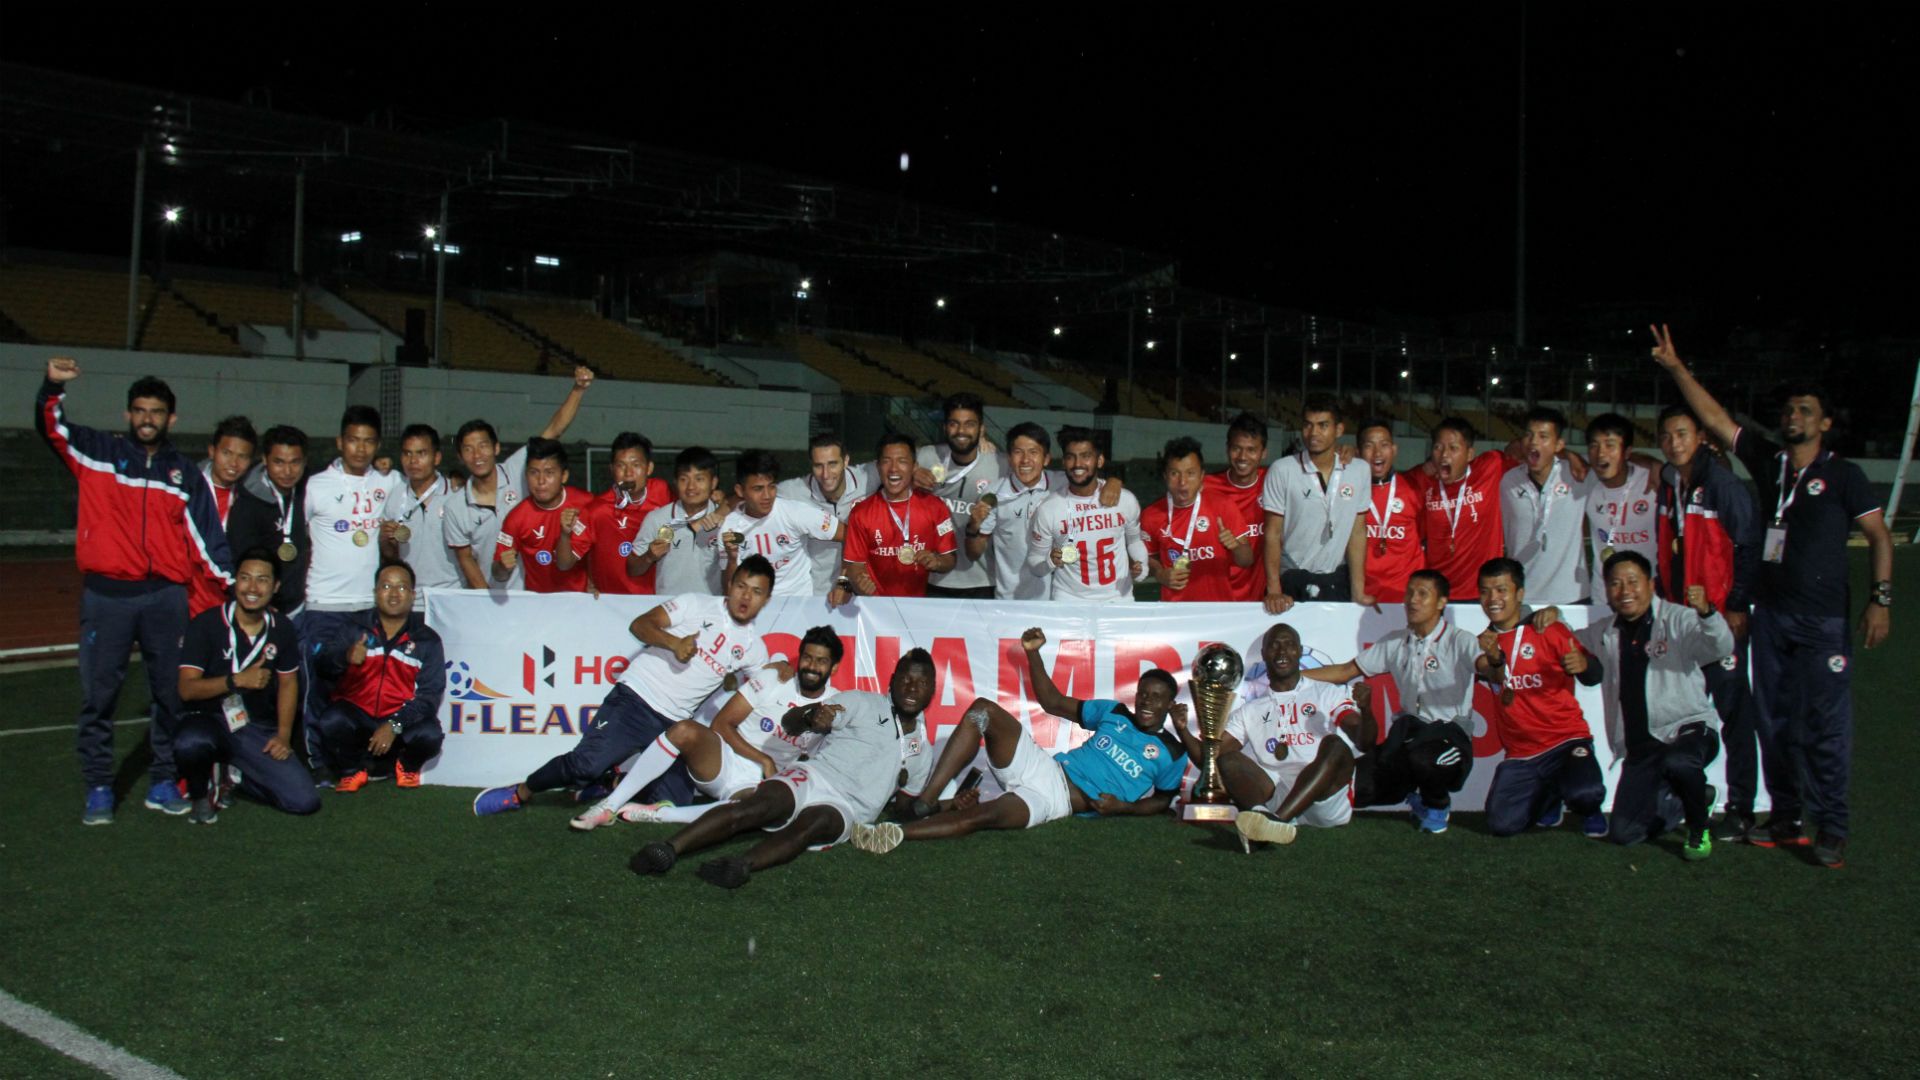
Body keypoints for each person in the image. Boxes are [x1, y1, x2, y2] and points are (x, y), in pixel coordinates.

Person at [1650, 325, 1891, 868]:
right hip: (1772, 617)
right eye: (1788, 410)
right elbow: (1713, 419)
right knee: (1775, 720)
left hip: (1824, 620)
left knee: (1825, 725)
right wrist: (1675, 368)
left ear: (1824, 423)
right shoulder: (1770, 463)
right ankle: (1785, 815)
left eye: (1805, 410)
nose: (1793, 417)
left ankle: (1832, 824)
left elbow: (1878, 535)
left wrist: (1881, 599)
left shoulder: (1844, 475)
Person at [37, 356, 234, 823]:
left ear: (172, 418)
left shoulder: (185, 475)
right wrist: (51, 387)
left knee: (169, 693)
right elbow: (51, 427)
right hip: (107, 597)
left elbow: (208, 539)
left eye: (157, 412)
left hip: (166, 598)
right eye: (141, 411)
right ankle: (100, 786)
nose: (148, 419)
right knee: (99, 696)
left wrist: (234, 589)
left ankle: (163, 779)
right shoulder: (97, 453)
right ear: (129, 415)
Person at [471, 555, 777, 816]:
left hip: (673, 724)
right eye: (740, 587)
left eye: (756, 592)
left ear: (766, 599)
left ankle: (610, 784)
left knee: (672, 802)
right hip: (636, 700)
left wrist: (780, 672)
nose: (745, 597)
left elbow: (764, 692)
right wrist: (673, 643)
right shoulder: (695, 604)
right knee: (584, 765)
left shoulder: (754, 649)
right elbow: (640, 625)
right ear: (730, 584)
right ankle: (521, 791)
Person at [848, 627, 1186, 852]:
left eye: (1156, 698)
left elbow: (1163, 799)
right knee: (982, 711)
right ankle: (925, 801)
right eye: (1143, 694)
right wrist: (1033, 653)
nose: (1146, 702)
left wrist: (1123, 808)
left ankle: (894, 834)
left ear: (1169, 704)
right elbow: (1052, 702)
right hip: (1044, 765)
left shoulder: (1172, 752)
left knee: (983, 818)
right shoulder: (1115, 713)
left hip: (1057, 800)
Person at [630, 656, 927, 889]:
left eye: (921, 682)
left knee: (812, 824)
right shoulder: (861, 702)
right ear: (892, 680)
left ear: (932, 692)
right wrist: (812, 715)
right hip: (816, 775)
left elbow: (905, 808)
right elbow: (791, 721)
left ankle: (740, 865)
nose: (912, 688)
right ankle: (668, 849)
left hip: (849, 808)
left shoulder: (922, 752)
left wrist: (926, 806)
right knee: (759, 806)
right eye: (906, 679)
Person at [1548, 552, 1734, 859]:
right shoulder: (1605, 631)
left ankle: (1698, 831)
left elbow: (1720, 646)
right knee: (1625, 834)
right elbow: (1568, 640)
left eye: (1633, 582)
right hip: (1642, 748)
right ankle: (1693, 795)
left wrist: (1707, 613)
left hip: (1687, 729)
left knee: (1680, 762)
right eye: (1616, 584)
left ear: (1650, 584)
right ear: (1607, 591)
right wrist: (1552, 615)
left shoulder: (1679, 618)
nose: (1625, 591)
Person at [571, 626, 845, 830]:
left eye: (821, 661)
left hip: (760, 784)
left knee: (753, 810)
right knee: (684, 730)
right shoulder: (774, 677)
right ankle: (609, 806)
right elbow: (722, 724)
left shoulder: (836, 705)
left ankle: (658, 814)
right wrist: (763, 758)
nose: (812, 666)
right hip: (724, 761)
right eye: (808, 658)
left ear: (833, 668)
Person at [1655, 403, 1764, 841]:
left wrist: (1736, 605)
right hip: (1681, 622)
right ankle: (1686, 794)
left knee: (1734, 714)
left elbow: (1750, 545)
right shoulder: (1670, 485)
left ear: (1699, 436)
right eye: (1666, 436)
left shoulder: (1722, 484)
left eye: (1682, 434)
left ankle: (1741, 808)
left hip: (1718, 620)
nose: (1674, 443)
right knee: (1682, 710)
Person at [1303, 569, 1479, 833]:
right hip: (1409, 736)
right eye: (1409, 593)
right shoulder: (1396, 641)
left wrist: (1495, 662)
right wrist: (1292, 677)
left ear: (1442, 602)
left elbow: (1487, 667)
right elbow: (1345, 671)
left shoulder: (1460, 640)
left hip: (1449, 737)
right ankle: (1409, 792)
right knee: (1353, 788)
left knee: (1425, 760)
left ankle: (1437, 805)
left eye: (1423, 594)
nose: (1413, 600)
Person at [1182, 624, 1363, 851]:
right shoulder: (1251, 710)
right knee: (1228, 760)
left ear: (1299, 651)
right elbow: (1210, 760)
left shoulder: (1327, 692)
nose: (1282, 651)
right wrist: (1182, 730)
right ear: (1264, 654)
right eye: (1274, 645)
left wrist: (1367, 712)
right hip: (1278, 795)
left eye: (1289, 645)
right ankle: (1265, 818)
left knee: (1335, 745)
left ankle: (1275, 822)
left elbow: (1362, 739)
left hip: (1324, 803)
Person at [173, 549, 315, 823]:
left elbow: (288, 684)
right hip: (210, 720)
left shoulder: (282, 628)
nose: (252, 587)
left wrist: (284, 735)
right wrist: (235, 680)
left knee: (303, 801)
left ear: (275, 587)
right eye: (245, 578)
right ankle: (201, 793)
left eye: (262, 580)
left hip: (255, 728)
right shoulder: (206, 624)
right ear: (234, 582)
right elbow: (186, 689)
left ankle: (234, 776)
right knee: (191, 742)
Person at [1471, 557, 1607, 838]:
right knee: (1501, 824)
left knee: (1586, 793)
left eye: (1501, 590)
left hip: (1565, 740)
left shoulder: (1549, 629)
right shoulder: (1482, 643)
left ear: (1520, 593)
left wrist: (1584, 665)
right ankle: (1550, 795)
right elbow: (1493, 673)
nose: (1493, 599)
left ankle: (1589, 807)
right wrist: (1495, 660)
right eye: (1485, 591)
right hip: (1522, 754)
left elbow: (1594, 675)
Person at [300, 405, 402, 761]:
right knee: (319, 685)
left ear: (378, 445)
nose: (361, 449)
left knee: (362, 686)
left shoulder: (388, 481)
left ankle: (357, 758)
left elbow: (396, 529)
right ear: (339, 442)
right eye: (353, 440)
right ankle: (316, 759)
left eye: (369, 442)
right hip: (324, 604)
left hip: (367, 606)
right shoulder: (315, 485)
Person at [443, 365, 595, 592]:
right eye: (468, 449)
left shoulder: (518, 467)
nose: (477, 455)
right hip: (490, 593)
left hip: (531, 593)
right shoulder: (455, 506)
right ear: (460, 456)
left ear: (496, 448)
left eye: (483, 446)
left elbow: (554, 431)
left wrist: (578, 389)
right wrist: (486, 599)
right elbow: (466, 559)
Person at [311, 560, 446, 792]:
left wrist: (394, 724)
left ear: (413, 595)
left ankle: (406, 765)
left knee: (431, 735)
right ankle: (352, 770)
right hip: (358, 714)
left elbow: (430, 696)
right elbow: (322, 667)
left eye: (402, 587)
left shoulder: (427, 639)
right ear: (375, 593)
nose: (394, 594)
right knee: (331, 721)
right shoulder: (354, 628)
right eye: (386, 587)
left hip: (399, 717)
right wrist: (344, 657)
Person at [1262, 395, 1369, 610]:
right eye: (1308, 425)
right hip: (1293, 577)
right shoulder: (1282, 469)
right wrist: (1274, 589)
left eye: (1323, 426)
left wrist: (1358, 591)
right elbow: (1272, 533)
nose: (1314, 433)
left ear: (1338, 430)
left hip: (1336, 580)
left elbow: (1358, 532)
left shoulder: (1359, 470)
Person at [1025, 427, 1147, 603]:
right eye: (1070, 457)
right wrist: (1050, 562)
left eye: (1085, 456)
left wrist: (1141, 569)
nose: (1077, 464)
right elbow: (1035, 563)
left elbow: (1135, 541)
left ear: (1099, 460)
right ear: (1063, 462)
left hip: (1118, 599)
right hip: (1069, 600)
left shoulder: (1124, 500)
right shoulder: (1048, 508)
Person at [832, 434, 957, 602]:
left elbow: (949, 558)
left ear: (914, 467)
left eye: (902, 461)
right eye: (886, 461)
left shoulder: (935, 507)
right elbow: (853, 564)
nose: (893, 469)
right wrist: (859, 581)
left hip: (918, 606)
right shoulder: (861, 512)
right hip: (875, 608)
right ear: (878, 467)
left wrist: (937, 562)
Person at [716, 449, 844, 598]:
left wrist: (844, 581)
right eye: (758, 489)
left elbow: (851, 535)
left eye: (771, 486)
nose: (767, 496)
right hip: (754, 610)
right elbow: (730, 592)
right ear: (740, 490)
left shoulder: (795, 512)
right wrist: (732, 559)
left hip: (798, 607)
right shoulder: (729, 529)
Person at [1141, 436, 1254, 602]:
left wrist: (1235, 546)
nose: (1183, 482)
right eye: (1175, 473)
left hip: (1218, 610)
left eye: (1190, 473)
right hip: (1175, 611)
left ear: (1202, 475)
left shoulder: (1222, 505)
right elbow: (1146, 559)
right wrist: (1159, 573)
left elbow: (1247, 560)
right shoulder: (1152, 515)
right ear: (1165, 476)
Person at [1411, 418, 1513, 602]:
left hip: (1482, 594)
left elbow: (1523, 451)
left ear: (1469, 454)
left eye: (1453, 448)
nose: (1444, 455)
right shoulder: (1422, 480)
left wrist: (1568, 455)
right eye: (1438, 447)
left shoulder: (1490, 467)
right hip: (1437, 595)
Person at [915, 393, 1003, 599]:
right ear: (945, 427)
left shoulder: (1000, 464)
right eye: (954, 424)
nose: (961, 431)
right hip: (931, 577)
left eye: (969, 424)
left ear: (981, 429)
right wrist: (913, 471)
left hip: (982, 581)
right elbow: (890, 463)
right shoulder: (926, 456)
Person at [1499, 408, 1587, 605]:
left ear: (1559, 445)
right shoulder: (1507, 481)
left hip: (1571, 596)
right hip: (1521, 596)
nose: (1534, 442)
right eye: (1529, 435)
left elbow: (1616, 462)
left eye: (1543, 436)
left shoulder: (1577, 475)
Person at [970, 422, 1066, 600]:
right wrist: (973, 526)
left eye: (1033, 452)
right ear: (1009, 457)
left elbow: (1098, 487)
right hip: (1011, 602)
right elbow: (974, 552)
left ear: (1046, 459)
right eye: (1018, 452)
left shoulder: (1063, 484)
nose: (1025, 460)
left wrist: (1115, 482)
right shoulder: (993, 494)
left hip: (1060, 599)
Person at [777, 432, 880, 594]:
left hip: (861, 586)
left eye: (832, 464)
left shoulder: (868, 476)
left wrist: (915, 471)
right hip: (817, 592)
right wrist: (727, 505)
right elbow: (755, 493)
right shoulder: (794, 491)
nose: (826, 474)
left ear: (846, 461)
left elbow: (896, 465)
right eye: (818, 466)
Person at [227, 425, 312, 616]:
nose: (288, 471)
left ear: (305, 461)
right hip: (262, 610)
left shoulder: (309, 489)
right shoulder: (247, 504)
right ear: (265, 460)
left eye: (295, 462)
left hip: (300, 607)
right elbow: (238, 560)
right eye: (279, 462)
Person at [492, 438, 595, 594]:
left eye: (549, 473)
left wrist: (598, 579)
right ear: (526, 475)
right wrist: (502, 566)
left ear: (564, 475)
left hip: (581, 602)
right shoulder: (516, 517)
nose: (541, 481)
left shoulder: (588, 504)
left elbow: (567, 564)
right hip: (538, 606)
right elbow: (498, 574)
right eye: (534, 472)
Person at [1580, 413, 1659, 605]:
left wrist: (1654, 463)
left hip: (1649, 596)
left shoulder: (1652, 480)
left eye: (1610, 445)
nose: (1600, 454)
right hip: (1604, 598)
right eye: (1594, 445)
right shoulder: (1584, 480)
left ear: (1627, 451)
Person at [582, 431, 673, 596]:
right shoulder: (596, 510)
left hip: (654, 601)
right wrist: (587, 582)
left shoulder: (662, 492)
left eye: (636, 465)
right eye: (621, 465)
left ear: (649, 468)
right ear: (611, 469)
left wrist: (721, 503)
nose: (628, 472)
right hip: (611, 602)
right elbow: (577, 554)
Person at [631, 446, 727, 596]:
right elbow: (632, 569)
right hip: (666, 612)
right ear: (675, 482)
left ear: (713, 483)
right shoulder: (657, 519)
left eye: (699, 479)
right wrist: (649, 556)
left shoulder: (726, 521)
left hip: (710, 611)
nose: (691, 487)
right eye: (684, 479)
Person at [379, 424, 462, 596]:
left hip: (451, 595)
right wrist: (385, 541)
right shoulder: (395, 497)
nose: (413, 461)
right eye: (407, 453)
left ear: (437, 457)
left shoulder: (456, 496)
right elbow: (392, 557)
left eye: (421, 453)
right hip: (410, 598)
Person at [1204, 411, 1272, 602]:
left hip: (1259, 599)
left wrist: (1344, 454)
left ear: (1263, 452)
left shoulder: (1274, 481)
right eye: (1236, 448)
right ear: (1227, 449)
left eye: (1251, 449)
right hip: (1213, 596)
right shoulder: (1205, 486)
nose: (1242, 456)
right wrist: (1116, 482)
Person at [1356, 419, 1423, 604]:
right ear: (1358, 452)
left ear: (1394, 450)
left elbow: (1423, 532)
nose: (1377, 452)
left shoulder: (1413, 487)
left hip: (1408, 597)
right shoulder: (1349, 491)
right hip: (1362, 596)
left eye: (1384, 445)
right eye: (1369, 446)